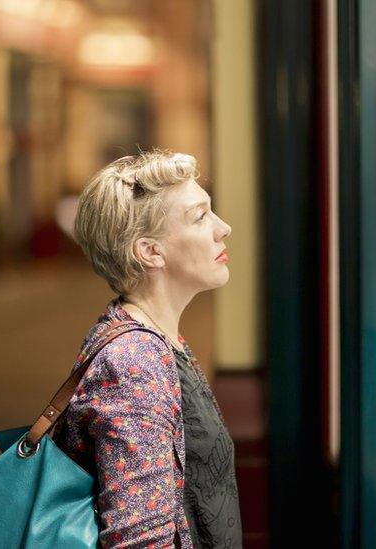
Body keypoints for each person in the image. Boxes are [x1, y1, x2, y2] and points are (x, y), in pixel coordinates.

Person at [53, 151, 242, 548]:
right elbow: (139, 539)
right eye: (200, 217)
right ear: (149, 252)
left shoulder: (158, 341)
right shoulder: (134, 362)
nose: (223, 228)